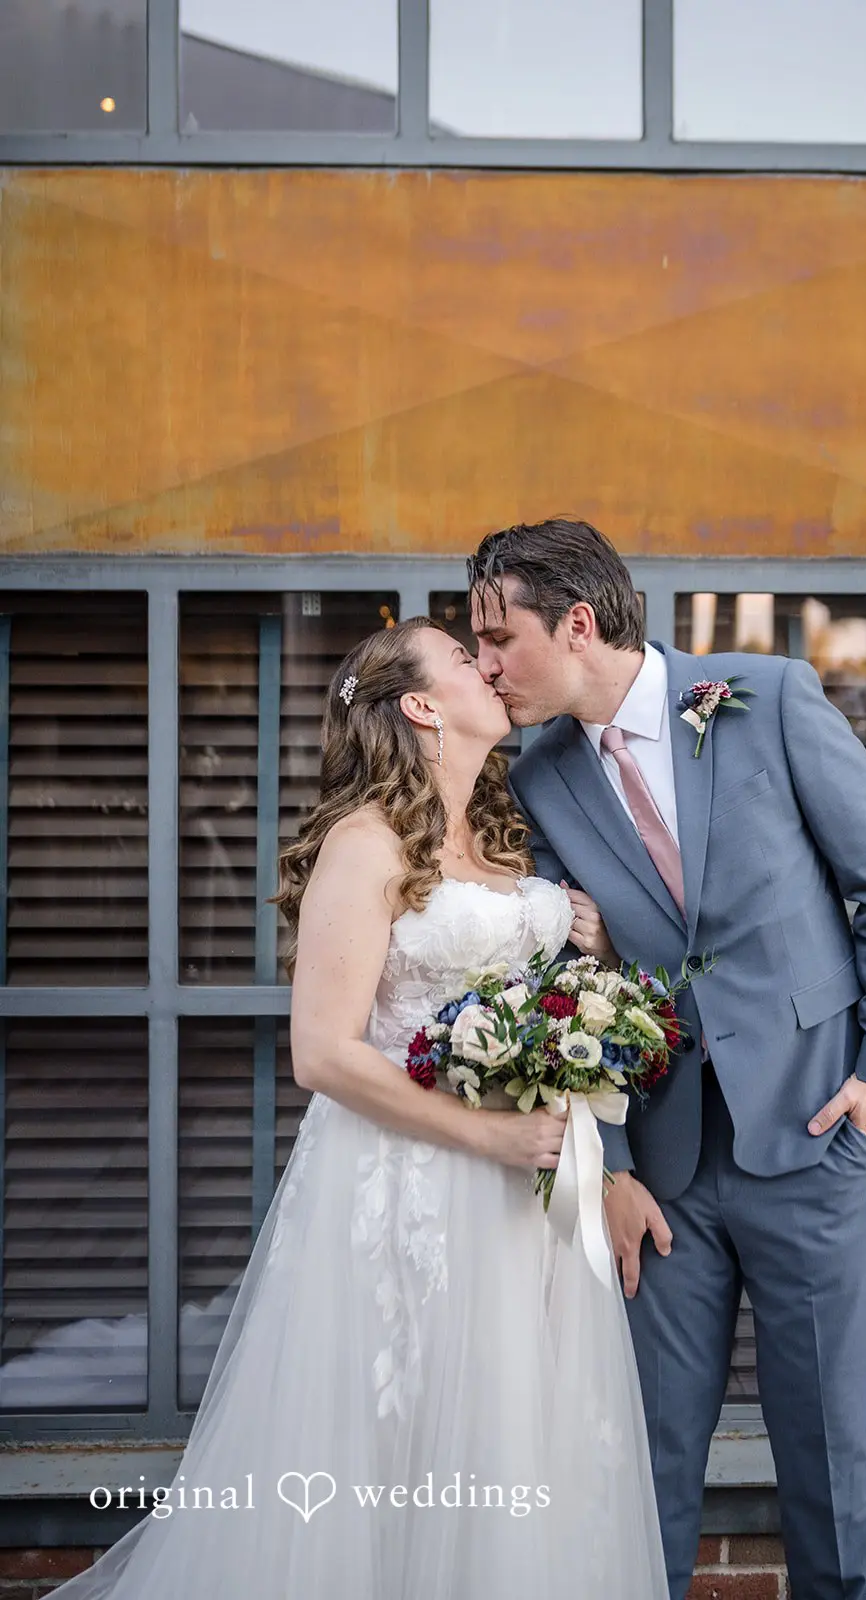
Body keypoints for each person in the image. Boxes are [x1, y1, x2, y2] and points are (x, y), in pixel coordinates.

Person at [43, 617, 669, 1600]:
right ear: (421, 704)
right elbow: (322, 1051)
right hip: (410, 1184)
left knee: (517, 1438)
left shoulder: (504, 835)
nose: (488, 664)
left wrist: (580, 944)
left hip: (528, 1206)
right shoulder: (364, 841)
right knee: (396, 1447)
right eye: (465, 657)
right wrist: (494, 1134)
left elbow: (535, 1019)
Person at [468, 519, 866, 1600]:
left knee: (821, 1451)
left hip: (816, 1133)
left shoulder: (764, 697)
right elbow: (560, 985)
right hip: (662, 1173)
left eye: (498, 635)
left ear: (575, 623)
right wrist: (615, 1164)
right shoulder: (536, 778)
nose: (484, 662)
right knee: (645, 1459)